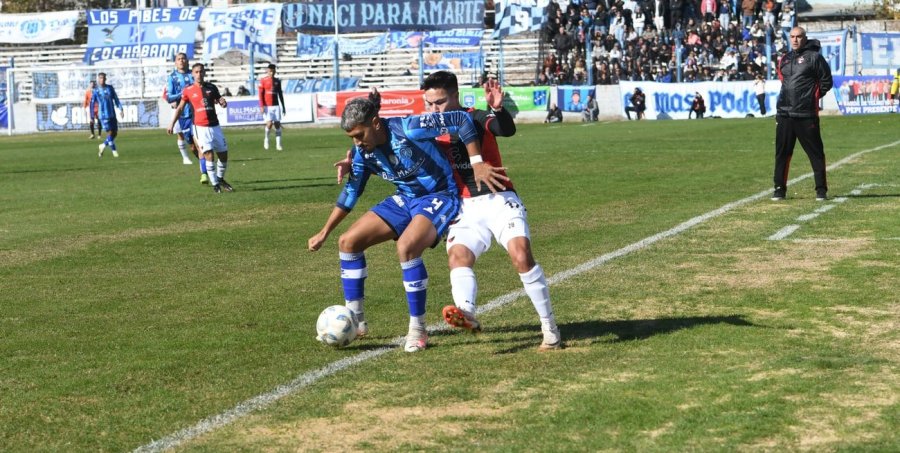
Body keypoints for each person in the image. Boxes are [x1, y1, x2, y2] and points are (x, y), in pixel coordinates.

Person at [307, 98, 506, 353]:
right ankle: (356, 320)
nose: (356, 142)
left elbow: (461, 119)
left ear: (375, 123)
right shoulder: (362, 153)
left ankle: (418, 328)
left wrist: (477, 161)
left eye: (359, 135)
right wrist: (324, 232)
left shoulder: (409, 128)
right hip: (405, 198)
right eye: (352, 138)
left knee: (407, 247)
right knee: (348, 242)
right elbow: (351, 192)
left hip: (439, 195)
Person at [421, 71, 562, 351]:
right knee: (458, 257)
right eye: (429, 103)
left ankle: (550, 327)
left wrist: (498, 109)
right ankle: (466, 312)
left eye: (440, 102)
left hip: (499, 198)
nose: (434, 109)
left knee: (521, 256)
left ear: (455, 96)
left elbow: (504, 129)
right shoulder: (427, 128)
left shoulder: (475, 116)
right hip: (464, 207)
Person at [772, 26, 833, 201]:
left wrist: (811, 98)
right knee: (782, 153)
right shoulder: (784, 58)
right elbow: (783, 81)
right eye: (792, 36)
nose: (795, 40)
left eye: (798, 36)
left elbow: (826, 81)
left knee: (816, 153)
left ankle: (821, 190)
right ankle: (779, 189)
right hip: (784, 114)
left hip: (806, 114)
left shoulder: (815, 57)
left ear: (805, 38)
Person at [167, 63, 233, 194]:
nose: (199, 74)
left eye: (201, 71)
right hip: (200, 127)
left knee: (223, 155)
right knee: (208, 154)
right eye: (196, 72)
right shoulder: (188, 90)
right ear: (192, 74)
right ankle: (215, 184)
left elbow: (219, 100)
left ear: (204, 73)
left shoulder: (211, 87)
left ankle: (220, 179)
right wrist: (172, 123)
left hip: (215, 126)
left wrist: (223, 102)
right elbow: (180, 108)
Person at [164, 52, 206, 184]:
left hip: (197, 113)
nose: (181, 61)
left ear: (187, 61)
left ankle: (205, 171)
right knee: (193, 147)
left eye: (183, 58)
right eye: (179, 59)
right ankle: (205, 164)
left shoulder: (193, 74)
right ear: (175, 62)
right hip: (183, 116)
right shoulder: (172, 77)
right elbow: (169, 97)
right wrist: (183, 94)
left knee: (200, 144)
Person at [91, 72, 122, 158]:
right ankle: (114, 151)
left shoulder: (110, 88)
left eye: (103, 78)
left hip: (112, 114)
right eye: (100, 78)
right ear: (98, 79)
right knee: (110, 132)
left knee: (114, 133)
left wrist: (121, 108)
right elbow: (92, 104)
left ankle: (103, 145)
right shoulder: (96, 91)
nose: (102, 80)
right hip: (103, 115)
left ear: (105, 79)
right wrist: (92, 116)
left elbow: (116, 98)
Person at [258, 63, 286, 151]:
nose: (272, 73)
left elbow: (280, 94)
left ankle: (278, 144)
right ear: (267, 71)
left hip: (276, 105)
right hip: (267, 106)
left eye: (273, 71)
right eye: (270, 71)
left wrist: (283, 106)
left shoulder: (277, 81)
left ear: (275, 71)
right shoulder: (263, 80)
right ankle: (266, 139)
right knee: (269, 124)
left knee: (277, 125)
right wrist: (261, 106)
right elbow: (260, 94)